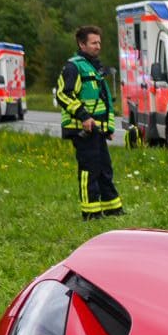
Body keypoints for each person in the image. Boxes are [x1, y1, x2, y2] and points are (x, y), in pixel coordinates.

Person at [54, 25, 123, 220]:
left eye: (99, 42)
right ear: (81, 44)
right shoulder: (73, 67)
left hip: (97, 130)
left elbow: (104, 101)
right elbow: (63, 95)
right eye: (94, 43)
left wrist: (108, 128)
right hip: (81, 129)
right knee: (89, 170)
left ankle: (112, 208)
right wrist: (84, 116)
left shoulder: (94, 67)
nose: (98, 46)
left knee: (104, 168)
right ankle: (90, 213)